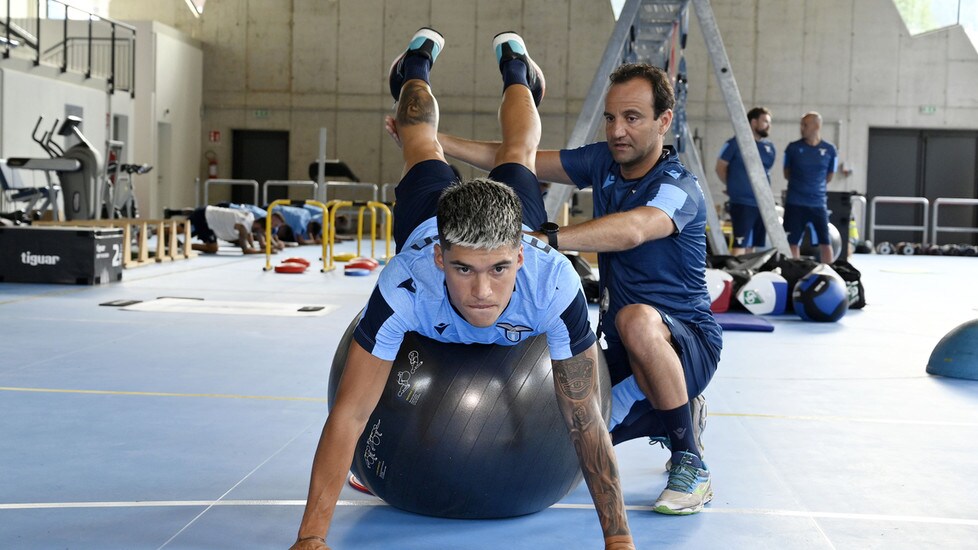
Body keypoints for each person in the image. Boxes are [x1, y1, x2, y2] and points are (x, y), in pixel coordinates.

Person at [290, 29, 634, 550]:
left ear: (521, 255)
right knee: (419, 143)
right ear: (439, 260)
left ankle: (517, 69)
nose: (482, 292)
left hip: (497, 220)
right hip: (432, 218)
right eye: (463, 270)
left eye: (499, 270)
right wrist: (311, 538)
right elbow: (351, 413)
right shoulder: (406, 284)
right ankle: (415, 67)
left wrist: (620, 542)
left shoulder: (551, 284)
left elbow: (585, 421)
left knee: (519, 150)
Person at [432, 63, 721, 516]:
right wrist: (433, 142)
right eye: (610, 118)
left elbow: (633, 230)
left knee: (636, 319)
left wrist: (549, 238)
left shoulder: (678, 187)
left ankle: (690, 461)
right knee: (556, 434)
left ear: (664, 121)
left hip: (686, 342)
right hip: (621, 353)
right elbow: (517, 157)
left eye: (632, 117)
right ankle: (675, 414)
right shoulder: (604, 162)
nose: (617, 130)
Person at [715, 106, 776, 256]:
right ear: (754, 122)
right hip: (742, 203)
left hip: (762, 204)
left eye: (769, 122)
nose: (768, 125)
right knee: (740, 244)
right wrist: (732, 186)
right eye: (765, 121)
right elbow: (720, 168)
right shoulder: (734, 143)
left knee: (752, 247)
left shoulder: (769, 147)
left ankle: (748, 276)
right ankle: (736, 277)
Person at [782, 111, 838, 263]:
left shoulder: (830, 150)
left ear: (817, 126)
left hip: (818, 204)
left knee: (825, 242)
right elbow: (786, 173)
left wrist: (814, 186)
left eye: (805, 124)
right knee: (792, 241)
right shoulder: (793, 148)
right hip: (795, 203)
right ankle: (793, 270)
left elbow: (830, 175)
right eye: (801, 125)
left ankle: (829, 273)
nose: (802, 128)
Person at [184, 205, 266, 254]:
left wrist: (253, 247)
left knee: (181, 230)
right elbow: (245, 250)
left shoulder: (250, 217)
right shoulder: (243, 227)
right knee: (213, 248)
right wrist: (262, 251)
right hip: (205, 219)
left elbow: (249, 234)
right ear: (258, 225)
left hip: (207, 213)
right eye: (262, 231)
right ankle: (184, 246)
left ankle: (182, 245)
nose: (261, 233)